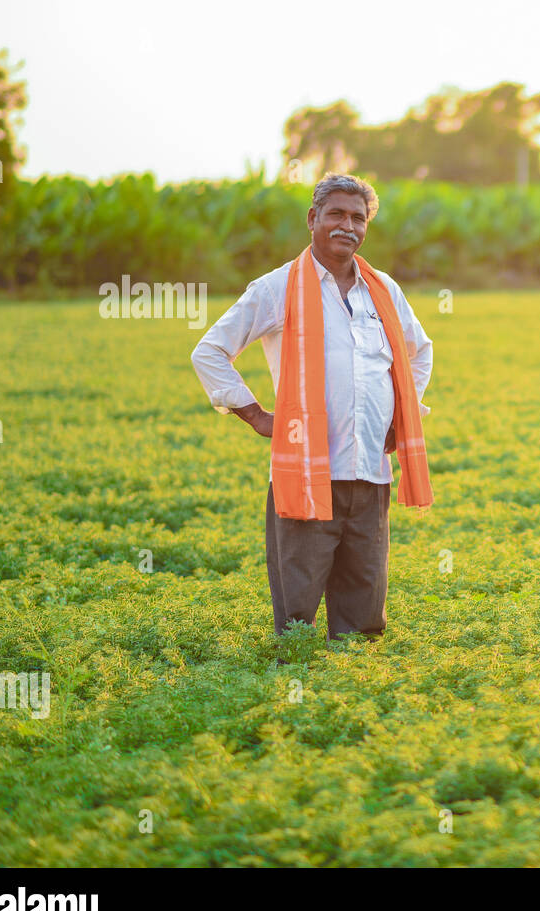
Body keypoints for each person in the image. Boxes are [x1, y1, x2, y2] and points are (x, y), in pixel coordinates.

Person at [190, 172, 433, 650]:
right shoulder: (276, 287)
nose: (348, 225)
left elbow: (418, 352)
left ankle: (354, 696)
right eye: (337, 214)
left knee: (365, 614)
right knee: (298, 611)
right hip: (305, 474)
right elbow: (210, 351)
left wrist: (402, 416)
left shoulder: (383, 289)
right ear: (313, 219)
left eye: (358, 217)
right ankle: (296, 696)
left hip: (370, 476)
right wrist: (256, 415)